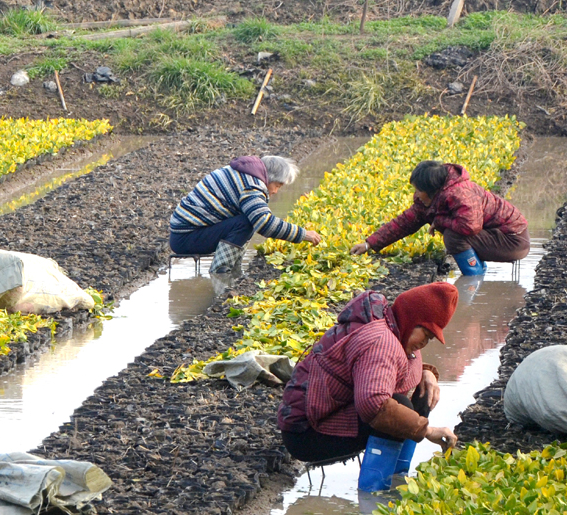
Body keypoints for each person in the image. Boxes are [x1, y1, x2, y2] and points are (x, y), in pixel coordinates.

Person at [276, 282, 459, 492]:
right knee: (396, 408)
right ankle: (374, 496)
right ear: (411, 318)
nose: (424, 344)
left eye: (430, 339)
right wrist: (427, 430)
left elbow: (393, 368)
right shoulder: (381, 340)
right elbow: (374, 404)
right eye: (425, 335)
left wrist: (428, 373)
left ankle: (398, 476)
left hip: (330, 412)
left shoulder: (392, 325)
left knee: (422, 395)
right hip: (306, 433)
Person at [350, 160, 530, 276]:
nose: (416, 195)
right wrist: (369, 244)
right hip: (494, 237)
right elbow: (404, 222)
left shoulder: (460, 194)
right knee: (453, 234)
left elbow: (471, 227)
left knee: (453, 237)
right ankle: (478, 271)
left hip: (513, 241)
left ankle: (474, 280)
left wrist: (438, 221)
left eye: (418, 190)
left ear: (431, 189)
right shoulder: (431, 198)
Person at [170, 155, 322, 276]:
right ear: (270, 177)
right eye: (277, 186)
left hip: (187, 233)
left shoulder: (246, 174)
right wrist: (302, 234)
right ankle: (220, 273)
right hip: (185, 237)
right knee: (247, 222)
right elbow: (265, 224)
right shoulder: (252, 185)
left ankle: (234, 271)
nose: (275, 191)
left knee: (247, 218)